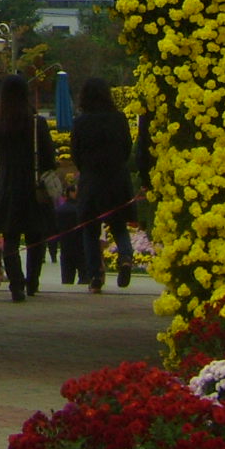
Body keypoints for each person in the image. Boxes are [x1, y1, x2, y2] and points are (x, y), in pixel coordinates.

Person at [0, 73, 54, 303]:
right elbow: (49, 158)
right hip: (33, 186)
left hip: (7, 185)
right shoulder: (36, 123)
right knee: (35, 237)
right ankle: (32, 282)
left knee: (10, 238)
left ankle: (16, 285)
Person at [71, 79, 136, 292]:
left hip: (91, 180)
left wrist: (86, 168)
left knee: (90, 229)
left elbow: (75, 153)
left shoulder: (81, 122)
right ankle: (125, 257)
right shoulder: (119, 119)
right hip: (117, 179)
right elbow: (127, 147)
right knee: (118, 224)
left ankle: (95, 276)